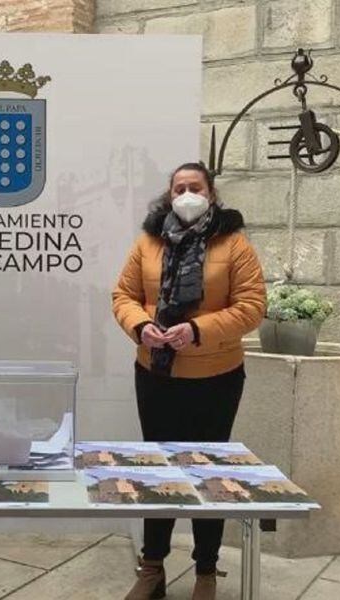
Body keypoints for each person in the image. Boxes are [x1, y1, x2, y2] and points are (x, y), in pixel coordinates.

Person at [112, 162, 266, 600]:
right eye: (178, 187)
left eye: (194, 187)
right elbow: (123, 295)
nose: (186, 194)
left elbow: (252, 305)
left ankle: (206, 570)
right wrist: (141, 326)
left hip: (215, 377)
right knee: (158, 469)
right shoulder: (148, 240)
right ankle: (153, 567)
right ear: (169, 193)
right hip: (156, 374)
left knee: (207, 473)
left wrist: (197, 330)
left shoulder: (233, 243)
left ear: (211, 193)